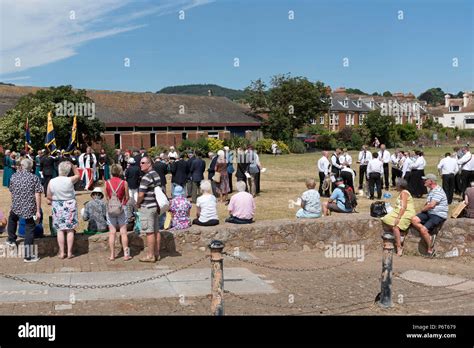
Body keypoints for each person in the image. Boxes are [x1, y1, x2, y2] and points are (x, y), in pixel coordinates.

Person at [6, 159, 43, 262]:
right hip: (29, 206)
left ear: (21, 166)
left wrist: (14, 202)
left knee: (12, 218)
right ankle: (28, 256)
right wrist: (38, 210)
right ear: (31, 167)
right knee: (29, 228)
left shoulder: (14, 176)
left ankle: (11, 239)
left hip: (17, 205)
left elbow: (11, 191)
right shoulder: (34, 178)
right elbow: (38, 194)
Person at [47, 161, 81, 259]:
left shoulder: (52, 181)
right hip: (70, 204)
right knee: (70, 230)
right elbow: (78, 175)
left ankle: (62, 253)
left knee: (60, 230)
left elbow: (49, 196)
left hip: (58, 205)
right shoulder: (70, 180)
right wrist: (73, 166)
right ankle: (69, 253)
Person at [411, 174, 449, 256]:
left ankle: (430, 248)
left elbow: (432, 205)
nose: (424, 181)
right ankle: (429, 235)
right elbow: (428, 203)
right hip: (430, 212)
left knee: (423, 230)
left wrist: (423, 209)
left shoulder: (438, 191)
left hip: (438, 214)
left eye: (426, 180)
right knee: (414, 219)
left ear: (431, 181)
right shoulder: (431, 190)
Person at [381, 178, 416, 256]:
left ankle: (399, 247)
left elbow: (403, 207)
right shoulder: (401, 193)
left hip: (407, 212)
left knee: (396, 227)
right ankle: (400, 234)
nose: (395, 186)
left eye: (396, 185)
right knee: (386, 219)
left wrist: (398, 217)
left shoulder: (404, 193)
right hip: (399, 211)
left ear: (400, 186)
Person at [136, 156, 162, 262]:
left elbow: (141, 194)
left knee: (149, 232)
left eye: (143, 163)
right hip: (155, 206)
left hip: (147, 206)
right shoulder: (156, 175)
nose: (140, 164)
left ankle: (150, 255)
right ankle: (156, 253)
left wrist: (138, 203)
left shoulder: (146, 177)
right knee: (156, 231)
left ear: (149, 164)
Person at [105, 164, 132, 261]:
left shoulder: (107, 182)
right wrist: (122, 203)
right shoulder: (124, 182)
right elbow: (127, 197)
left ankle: (112, 255)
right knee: (123, 232)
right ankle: (126, 255)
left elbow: (107, 197)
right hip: (121, 207)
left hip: (111, 208)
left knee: (112, 233)